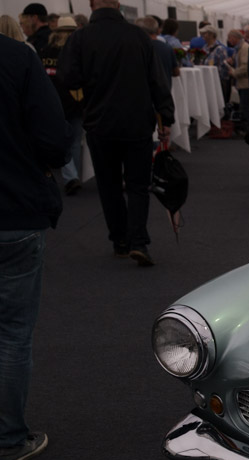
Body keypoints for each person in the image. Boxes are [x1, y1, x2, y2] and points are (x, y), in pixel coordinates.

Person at [0, 31, 71, 460]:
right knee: (11, 333)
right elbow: (54, 141)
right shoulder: (16, 59)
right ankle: (8, 439)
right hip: (13, 211)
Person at [59, 0, 173, 266]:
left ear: (91, 5)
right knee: (137, 185)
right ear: (119, 5)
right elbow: (157, 80)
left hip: (100, 122)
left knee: (109, 186)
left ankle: (120, 240)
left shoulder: (80, 37)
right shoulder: (138, 36)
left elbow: (68, 78)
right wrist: (165, 116)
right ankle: (139, 241)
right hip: (137, 122)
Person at [38, 15, 84, 196]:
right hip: (76, 100)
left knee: (60, 139)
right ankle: (73, 176)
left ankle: (70, 176)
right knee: (74, 140)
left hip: (52, 101)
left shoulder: (45, 51)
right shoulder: (77, 50)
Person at [137, 17, 177, 87]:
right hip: (164, 90)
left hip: (145, 92)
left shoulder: (138, 48)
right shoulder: (167, 48)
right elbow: (176, 72)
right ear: (157, 30)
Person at [227, 29, 249, 131]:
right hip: (241, 83)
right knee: (243, 105)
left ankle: (247, 129)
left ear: (234, 38)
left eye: (229, 38)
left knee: (246, 107)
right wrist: (232, 61)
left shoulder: (245, 48)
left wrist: (234, 73)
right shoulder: (238, 48)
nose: (228, 40)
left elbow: (246, 67)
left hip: (245, 83)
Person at [200, 25, 231, 104]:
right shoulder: (204, 48)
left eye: (205, 33)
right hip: (207, 81)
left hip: (217, 82)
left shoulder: (220, 49)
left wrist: (220, 80)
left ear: (211, 35)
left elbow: (224, 67)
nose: (203, 36)